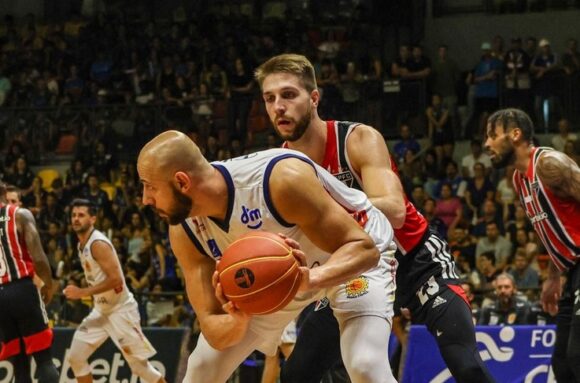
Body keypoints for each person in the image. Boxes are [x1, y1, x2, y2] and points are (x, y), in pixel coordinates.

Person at [256, 53, 495, 383]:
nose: (278, 106)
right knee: (297, 373)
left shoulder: (357, 139)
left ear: (314, 98)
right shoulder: (279, 168)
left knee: (465, 363)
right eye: (269, 98)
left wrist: (325, 213)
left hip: (415, 260)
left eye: (288, 95)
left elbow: (394, 210)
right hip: (358, 272)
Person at [137, 130, 397, 383]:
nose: (145, 199)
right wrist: (237, 321)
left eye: (150, 187)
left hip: (350, 255)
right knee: (201, 369)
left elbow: (364, 249)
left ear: (182, 182)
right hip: (279, 277)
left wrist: (311, 278)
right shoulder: (184, 230)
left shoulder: (279, 180)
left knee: (365, 365)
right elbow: (212, 326)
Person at [484, 108, 580, 381]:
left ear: (515, 135)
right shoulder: (519, 179)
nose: (486, 143)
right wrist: (553, 277)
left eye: (492, 135)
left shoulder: (549, 164)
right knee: (562, 365)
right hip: (570, 271)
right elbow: (551, 230)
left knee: (577, 355)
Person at [63, 199, 166, 383]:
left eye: (81, 215)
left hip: (121, 310)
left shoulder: (98, 244)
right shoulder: (81, 244)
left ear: (93, 219)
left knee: (140, 368)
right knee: (76, 357)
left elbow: (116, 279)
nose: (76, 219)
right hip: (101, 311)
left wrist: (82, 292)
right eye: (73, 215)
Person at [0, 182, 59, 383]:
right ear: (3, 194)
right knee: (44, 360)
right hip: (22, 288)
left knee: (19, 365)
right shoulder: (19, 214)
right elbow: (39, 258)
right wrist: (48, 286)